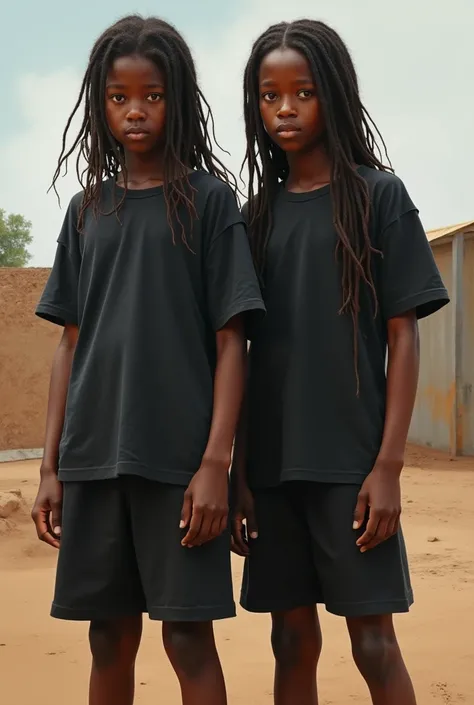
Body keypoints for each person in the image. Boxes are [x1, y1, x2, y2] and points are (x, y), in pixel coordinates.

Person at [31, 14, 265, 705]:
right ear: (100, 106)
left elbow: (234, 342)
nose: (135, 111)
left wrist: (216, 465)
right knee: (108, 636)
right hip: (92, 462)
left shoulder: (210, 203)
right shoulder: (86, 210)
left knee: (187, 638)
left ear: (179, 101)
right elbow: (69, 343)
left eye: (153, 96)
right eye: (119, 97)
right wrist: (49, 467)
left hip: (178, 468)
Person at [231, 19, 449, 705]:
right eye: (269, 96)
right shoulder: (255, 215)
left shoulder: (377, 196)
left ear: (334, 95)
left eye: (303, 92)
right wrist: (240, 473)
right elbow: (239, 349)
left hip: (352, 470)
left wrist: (387, 467)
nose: (286, 109)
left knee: (374, 641)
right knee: (290, 641)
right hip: (271, 471)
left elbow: (403, 335)